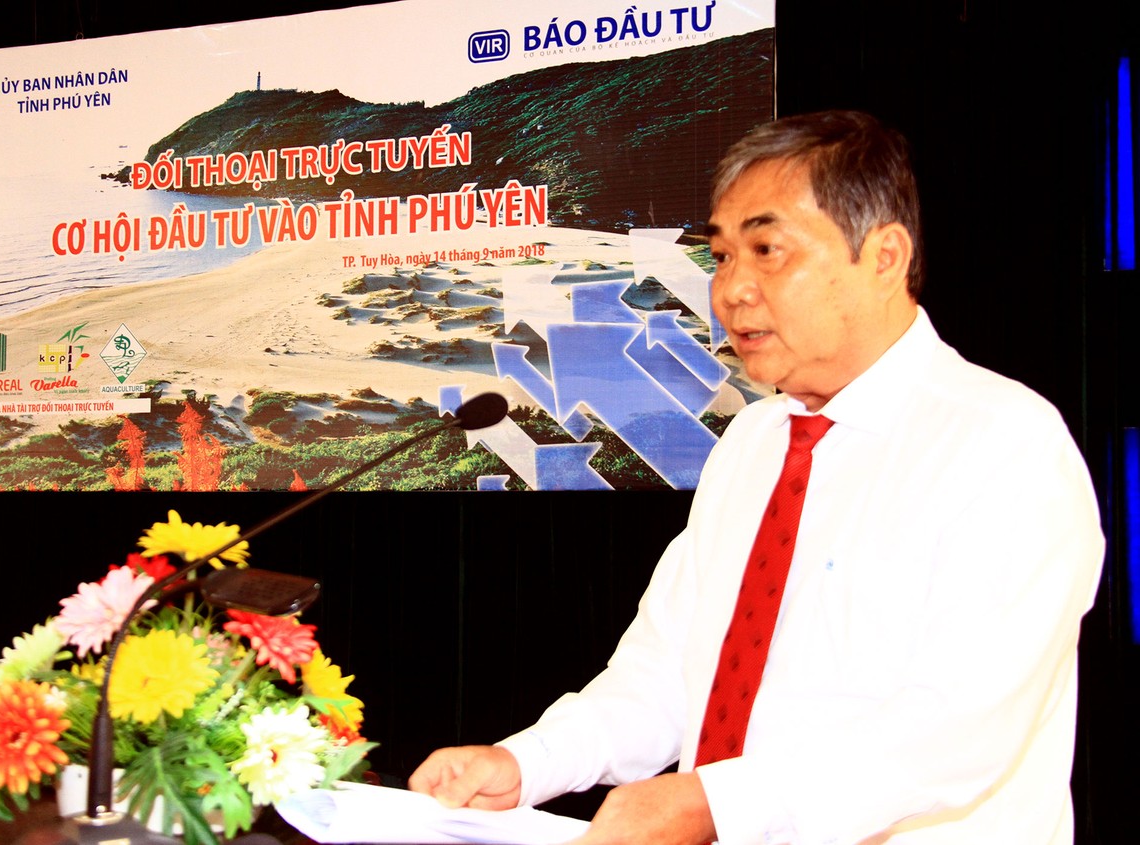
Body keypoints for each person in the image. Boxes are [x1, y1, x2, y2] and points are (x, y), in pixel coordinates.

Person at [408, 110, 1104, 844]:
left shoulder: (1003, 445)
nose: (732, 289)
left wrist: (712, 805)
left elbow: (954, 728)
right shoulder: (753, 441)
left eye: (768, 250)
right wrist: (525, 764)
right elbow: (667, 672)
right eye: (721, 255)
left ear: (885, 256)